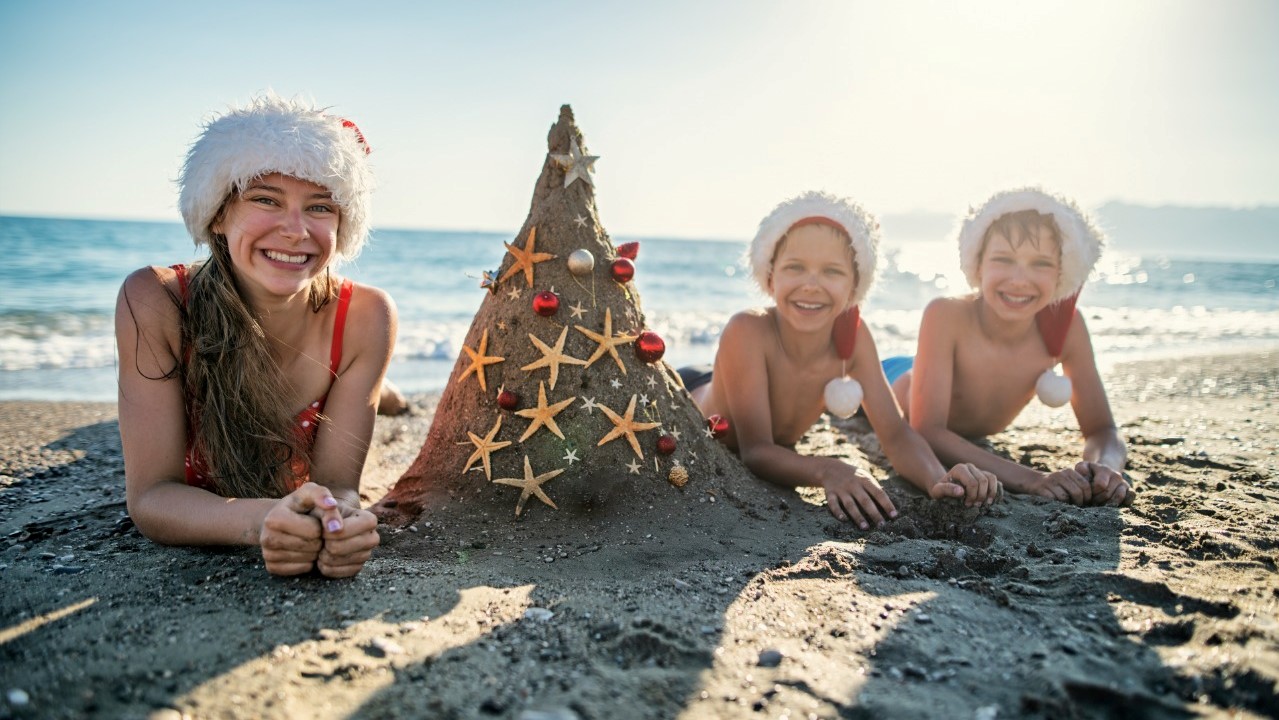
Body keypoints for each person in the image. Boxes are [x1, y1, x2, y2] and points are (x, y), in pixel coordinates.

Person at [115, 95, 395, 577]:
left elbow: (338, 487)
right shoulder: (155, 300)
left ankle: (386, 391)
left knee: (391, 401)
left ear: (342, 224)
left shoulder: (366, 316)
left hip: (353, 353)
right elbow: (151, 497)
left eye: (320, 207)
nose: (295, 230)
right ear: (218, 215)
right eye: (266, 199)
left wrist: (339, 523)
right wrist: (267, 519)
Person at [686, 191, 1000, 529]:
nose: (811, 284)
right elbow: (757, 451)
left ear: (854, 288)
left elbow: (895, 433)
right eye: (795, 267)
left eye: (832, 271)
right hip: (694, 387)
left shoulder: (852, 337)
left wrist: (938, 479)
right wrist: (831, 469)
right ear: (770, 275)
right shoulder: (747, 329)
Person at [892, 188, 1131, 506]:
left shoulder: (1066, 328)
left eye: (1041, 263)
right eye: (1003, 259)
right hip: (894, 374)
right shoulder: (945, 314)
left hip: (931, 368)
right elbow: (926, 430)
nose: (1020, 279)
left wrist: (1105, 468)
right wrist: (1032, 479)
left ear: (1062, 273)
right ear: (977, 266)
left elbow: (1103, 429)